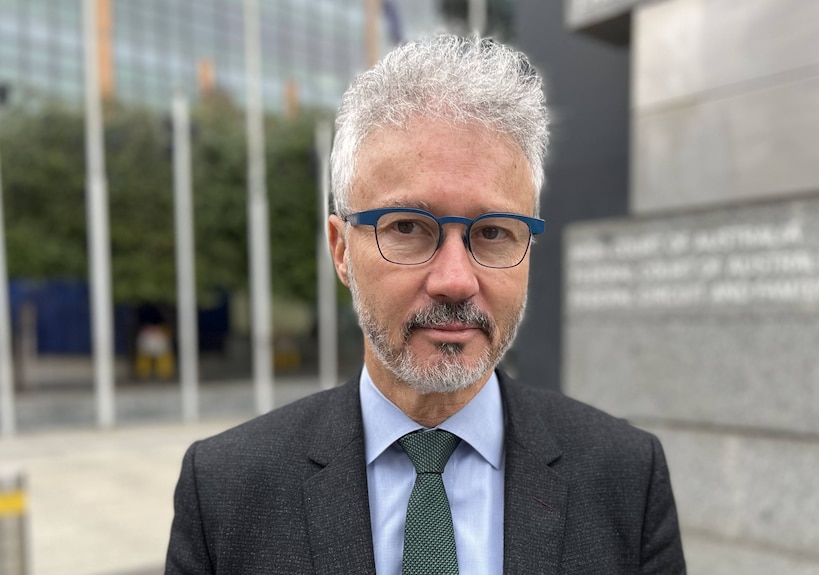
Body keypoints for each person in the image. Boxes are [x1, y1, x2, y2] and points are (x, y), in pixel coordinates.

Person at [166, 35, 686, 574]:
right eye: (409, 227)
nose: (456, 280)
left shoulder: (626, 477)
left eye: (492, 232)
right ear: (341, 250)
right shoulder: (226, 491)